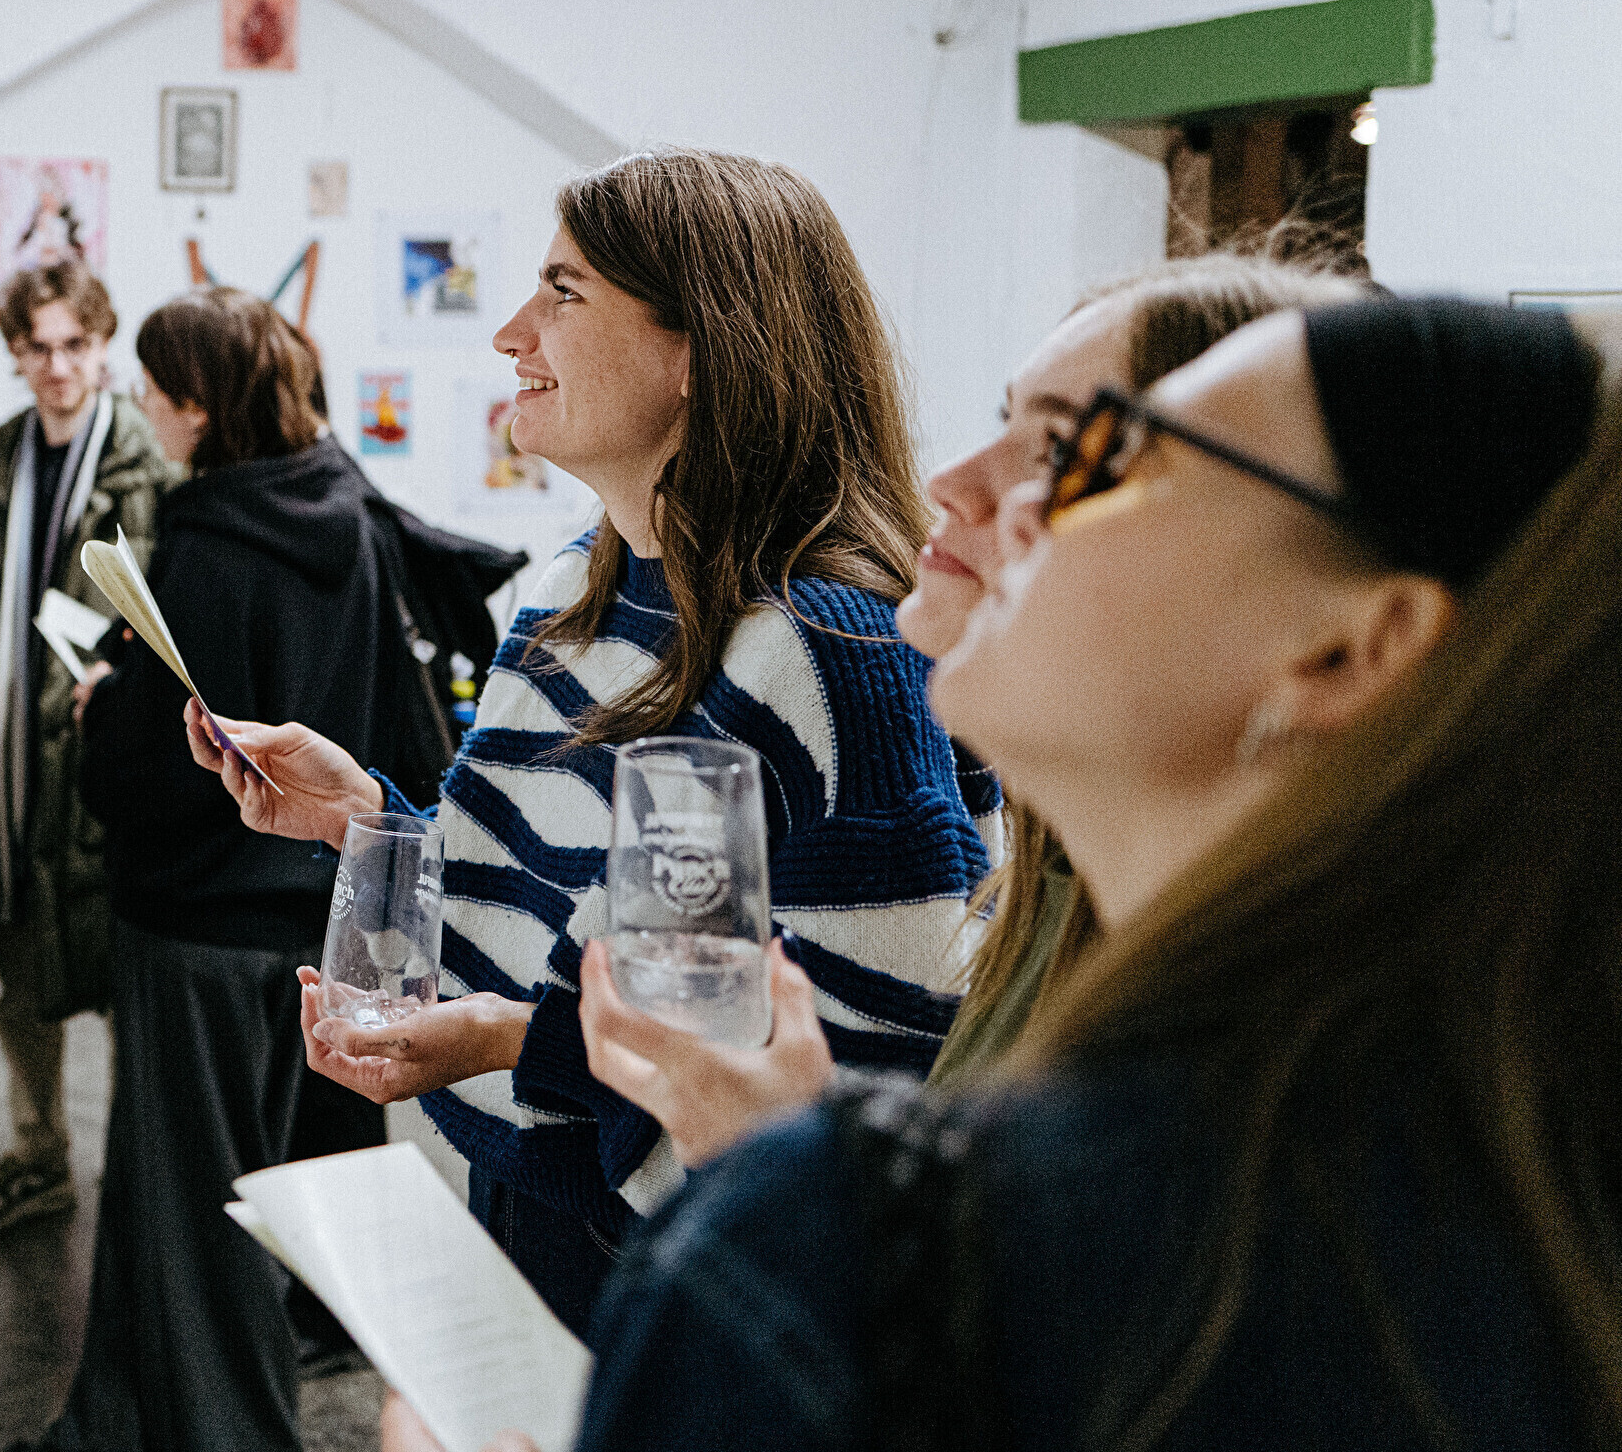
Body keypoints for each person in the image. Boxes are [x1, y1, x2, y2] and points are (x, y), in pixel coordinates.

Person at [569, 296, 1616, 1450]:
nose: (1007, 500)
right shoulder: (1515, 1211)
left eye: (1107, 457)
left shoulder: (850, 1251)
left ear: (1350, 649)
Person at [192, 148, 993, 1331]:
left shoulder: (832, 645)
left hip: (704, 1260)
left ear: (700, 348)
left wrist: (509, 1038)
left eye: (563, 293)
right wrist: (367, 814)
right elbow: (577, 896)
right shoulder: (578, 585)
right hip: (546, 1201)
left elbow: (881, 1048)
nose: (511, 333)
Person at [575, 248, 1370, 1161]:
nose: (950, 481)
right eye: (1006, 422)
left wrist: (782, 1170)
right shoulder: (1061, 889)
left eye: (1068, 455)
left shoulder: (1281, 1056)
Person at [32, 287, 409, 1452]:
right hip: (310, 907)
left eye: (153, 385)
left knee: (201, 1215)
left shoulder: (206, 540)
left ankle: (231, 1434)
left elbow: (157, 770)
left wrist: (103, 711)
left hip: (195, 923)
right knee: (195, 1193)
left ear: (196, 404)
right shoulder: (350, 512)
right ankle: (112, 1422)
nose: (140, 401)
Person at [0, 260, 177, 1239]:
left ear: (103, 345)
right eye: (38, 346)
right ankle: (38, 1155)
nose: (58, 365)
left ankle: (147, 1173)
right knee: (17, 960)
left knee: (116, 964)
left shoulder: (147, 460)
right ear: (16, 353)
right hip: (0, 754)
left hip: (100, 755)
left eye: (75, 344)